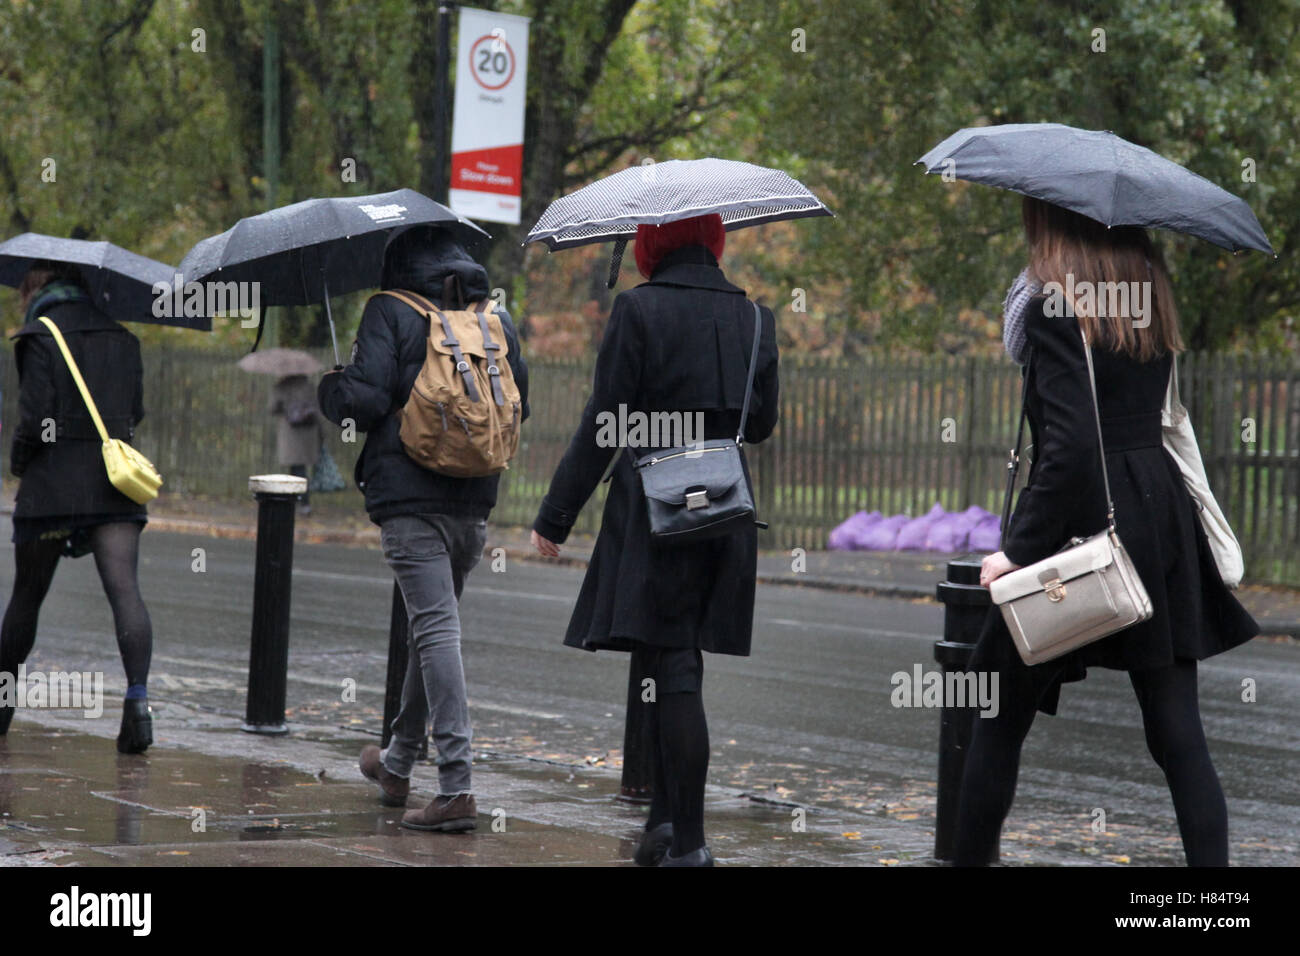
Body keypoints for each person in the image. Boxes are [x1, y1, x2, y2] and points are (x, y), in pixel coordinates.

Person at [954, 197, 1260, 866]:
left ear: (1050, 219)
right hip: (1158, 512)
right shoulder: (1147, 294)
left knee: (1000, 714)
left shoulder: (1050, 305)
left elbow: (1066, 451)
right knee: (1178, 731)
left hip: (1085, 518)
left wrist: (1014, 552)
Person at [530, 214, 779, 866]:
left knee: (673, 667)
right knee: (677, 661)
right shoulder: (756, 319)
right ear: (715, 241)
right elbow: (760, 423)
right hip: (724, 507)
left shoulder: (637, 310)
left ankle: (690, 843)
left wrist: (555, 515)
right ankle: (662, 827)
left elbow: (605, 422)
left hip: (659, 507)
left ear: (650, 243)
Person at [318, 225, 529, 832]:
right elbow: (520, 406)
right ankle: (397, 762)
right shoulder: (495, 320)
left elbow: (365, 398)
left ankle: (457, 787)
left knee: (436, 634)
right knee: (428, 630)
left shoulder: (390, 310)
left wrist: (333, 386)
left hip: (410, 502)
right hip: (473, 503)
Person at [1, 261, 155, 753]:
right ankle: (137, 705)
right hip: (113, 486)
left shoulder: (38, 335)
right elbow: (135, 412)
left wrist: (20, 464)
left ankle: (1, 710)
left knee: (27, 598)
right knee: (125, 591)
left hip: (51, 488)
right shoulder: (125, 340)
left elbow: (34, 419)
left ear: (35, 286)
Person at [269, 373, 323, 514]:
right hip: (308, 433)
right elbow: (318, 408)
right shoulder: (310, 386)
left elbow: (272, 408)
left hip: (290, 434)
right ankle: (301, 501)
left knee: (296, 469)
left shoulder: (282, 386)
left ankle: (301, 502)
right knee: (300, 469)